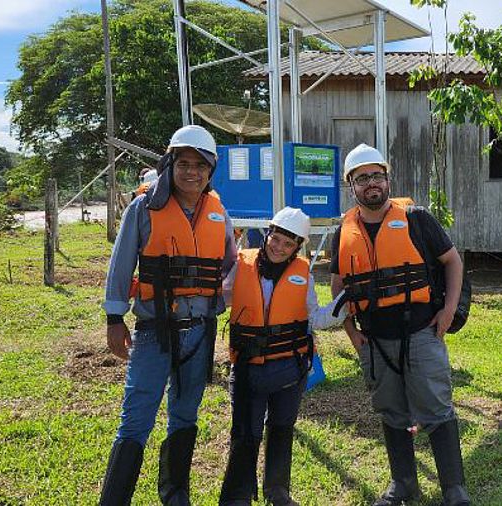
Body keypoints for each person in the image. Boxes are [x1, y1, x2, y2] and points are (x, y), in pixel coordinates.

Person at [99, 125, 236, 505]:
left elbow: (229, 267)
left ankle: (175, 495)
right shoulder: (143, 208)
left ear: (211, 171)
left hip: (201, 331)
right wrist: (114, 318)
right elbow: (121, 263)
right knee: (136, 417)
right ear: (170, 164)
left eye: (200, 166)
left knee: (185, 414)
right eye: (184, 163)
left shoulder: (218, 212)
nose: (191, 172)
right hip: (154, 330)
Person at [330, 144, 471, 506]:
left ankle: (454, 490)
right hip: (375, 341)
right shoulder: (342, 233)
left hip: (421, 332)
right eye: (362, 178)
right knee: (391, 411)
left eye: (377, 176)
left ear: (388, 179)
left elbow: (453, 262)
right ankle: (403, 483)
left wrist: (449, 311)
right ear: (352, 186)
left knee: (437, 408)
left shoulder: (417, 219)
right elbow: (338, 289)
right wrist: (352, 334)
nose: (371, 184)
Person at [219, 207, 346, 506]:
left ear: (297, 248)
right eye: (276, 240)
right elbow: (220, 297)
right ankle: (236, 498)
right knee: (245, 434)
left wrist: (346, 302)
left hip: (289, 369)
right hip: (249, 368)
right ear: (268, 235)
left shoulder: (304, 274)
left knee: (281, 428)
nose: (279, 248)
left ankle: (278, 493)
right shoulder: (241, 264)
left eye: (288, 244)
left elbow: (314, 318)